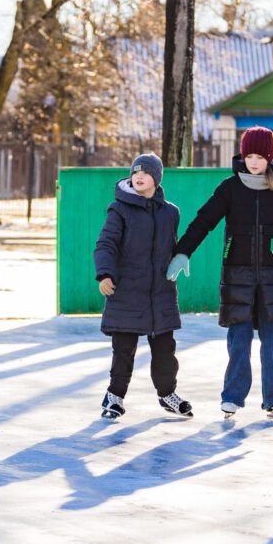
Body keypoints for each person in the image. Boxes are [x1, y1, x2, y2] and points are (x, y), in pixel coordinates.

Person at [168, 127, 273, 420]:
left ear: (269, 157)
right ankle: (233, 397)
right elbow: (204, 220)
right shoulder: (230, 188)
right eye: (249, 155)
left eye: (260, 156)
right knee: (239, 339)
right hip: (237, 275)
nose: (253, 162)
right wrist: (183, 252)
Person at [94, 153, 193, 420]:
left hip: (160, 293)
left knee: (165, 351)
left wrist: (181, 257)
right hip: (126, 291)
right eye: (135, 172)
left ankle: (167, 395)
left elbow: (172, 247)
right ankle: (114, 397)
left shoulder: (170, 213)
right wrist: (105, 274)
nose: (139, 176)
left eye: (146, 173)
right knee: (123, 351)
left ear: (156, 178)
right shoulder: (119, 210)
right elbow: (106, 244)